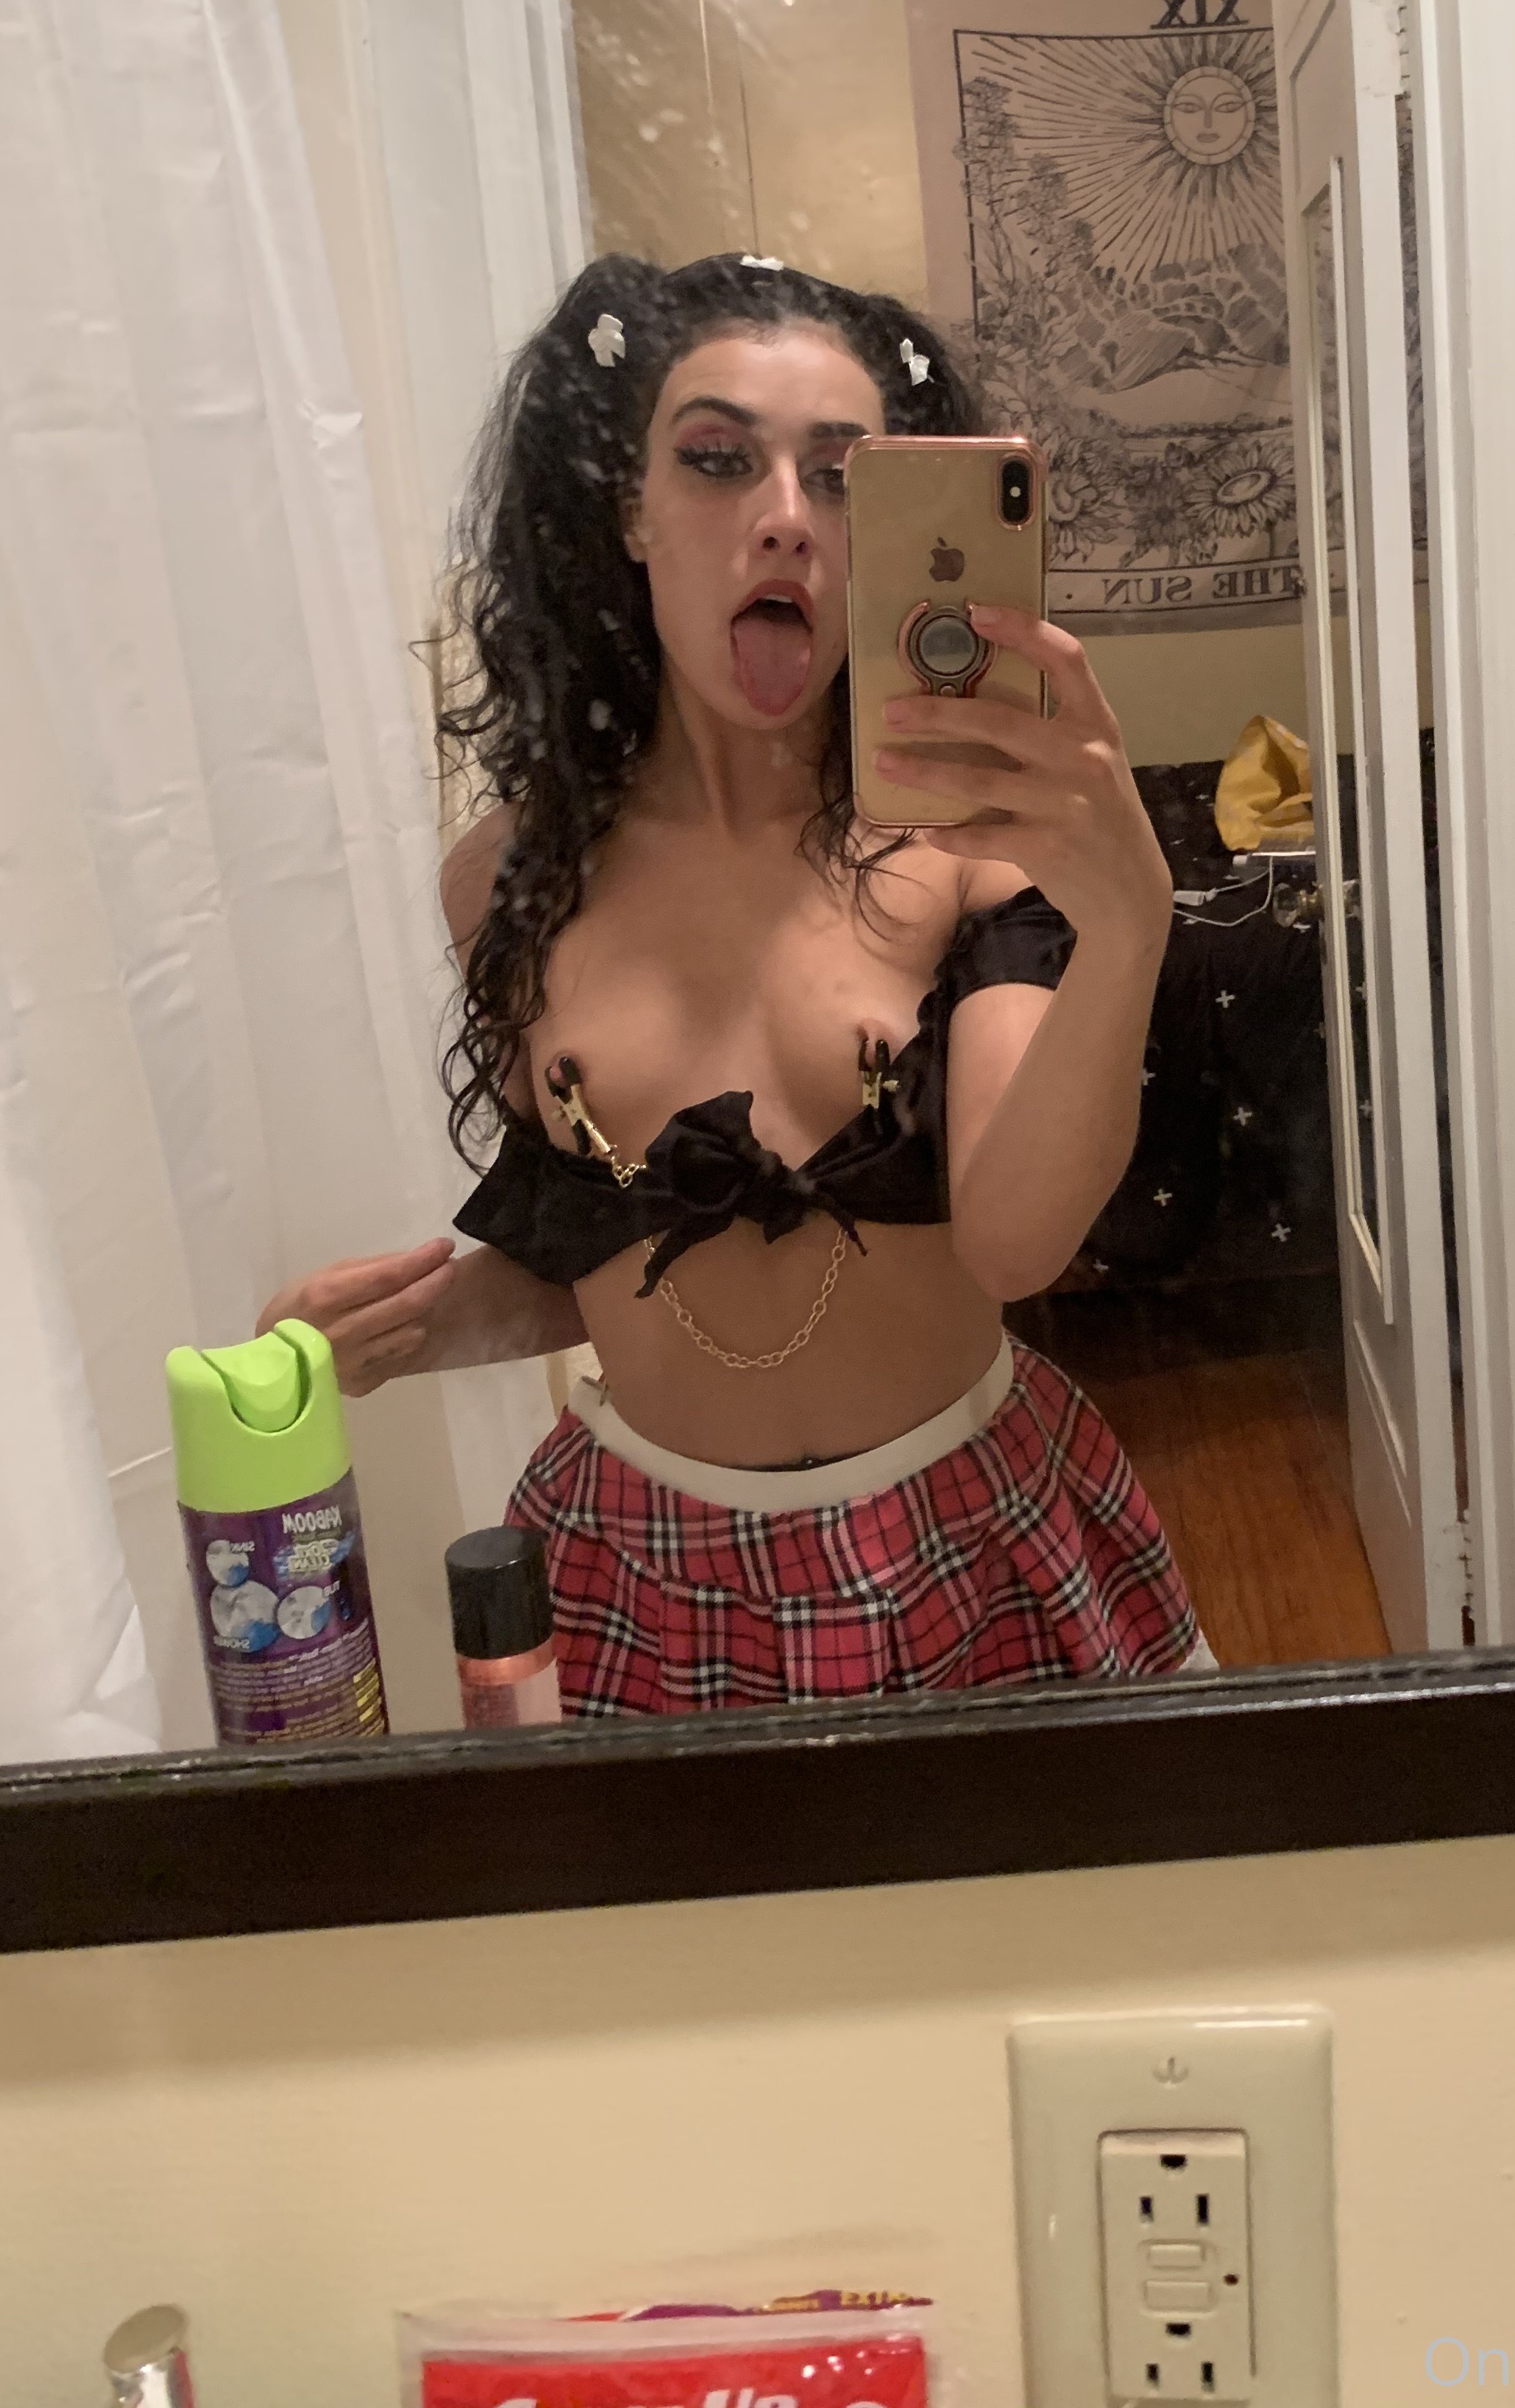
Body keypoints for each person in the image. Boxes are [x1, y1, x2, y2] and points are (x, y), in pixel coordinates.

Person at [260, 252, 1202, 1714]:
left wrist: (1129, 920)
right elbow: (603, 1258)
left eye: (840, 477)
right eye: (716, 460)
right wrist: (409, 1331)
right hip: (639, 1566)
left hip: (965, 1537)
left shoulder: (972, 848)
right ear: (627, 511)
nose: (784, 517)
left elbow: (1018, 1244)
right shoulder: (507, 883)